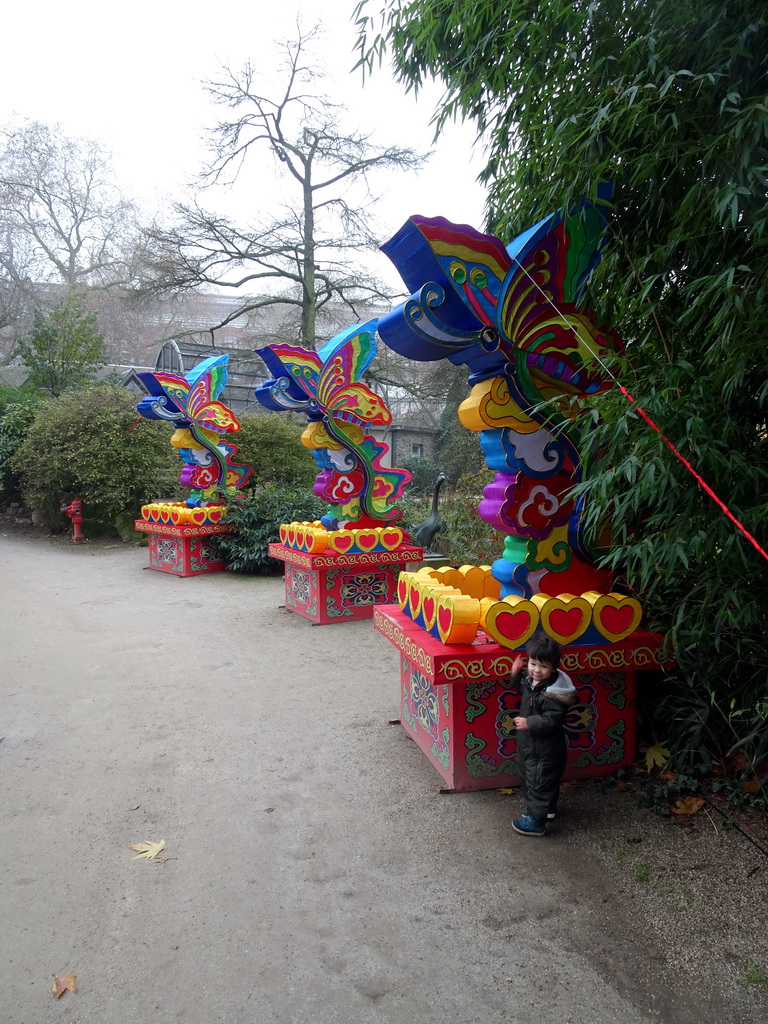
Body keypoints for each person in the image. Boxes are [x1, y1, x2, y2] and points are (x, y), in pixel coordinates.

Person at [509, 631, 578, 837]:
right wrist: (515, 673)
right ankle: (546, 811)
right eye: (533, 664)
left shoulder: (553, 693)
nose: (536, 670)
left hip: (544, 747)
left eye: (543, 666)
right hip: (530, 744)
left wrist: (529, 722)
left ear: (554, 667)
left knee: (539, 781)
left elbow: (552, 719)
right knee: (532, 776)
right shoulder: (534, 682)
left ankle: (536, 821)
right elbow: (522, 688)